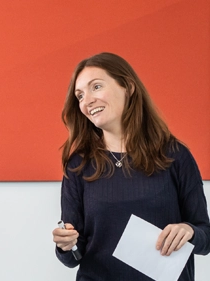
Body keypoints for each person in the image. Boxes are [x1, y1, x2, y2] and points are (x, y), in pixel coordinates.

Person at [52, 52, 210, 280]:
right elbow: (73, 257)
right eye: (80, 96)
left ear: (128, 87)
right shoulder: (78, 165)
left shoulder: (175, 155)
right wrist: (66, 246)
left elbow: (205, 236)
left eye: (96, 87)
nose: (87, 101)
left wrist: (190, 231)